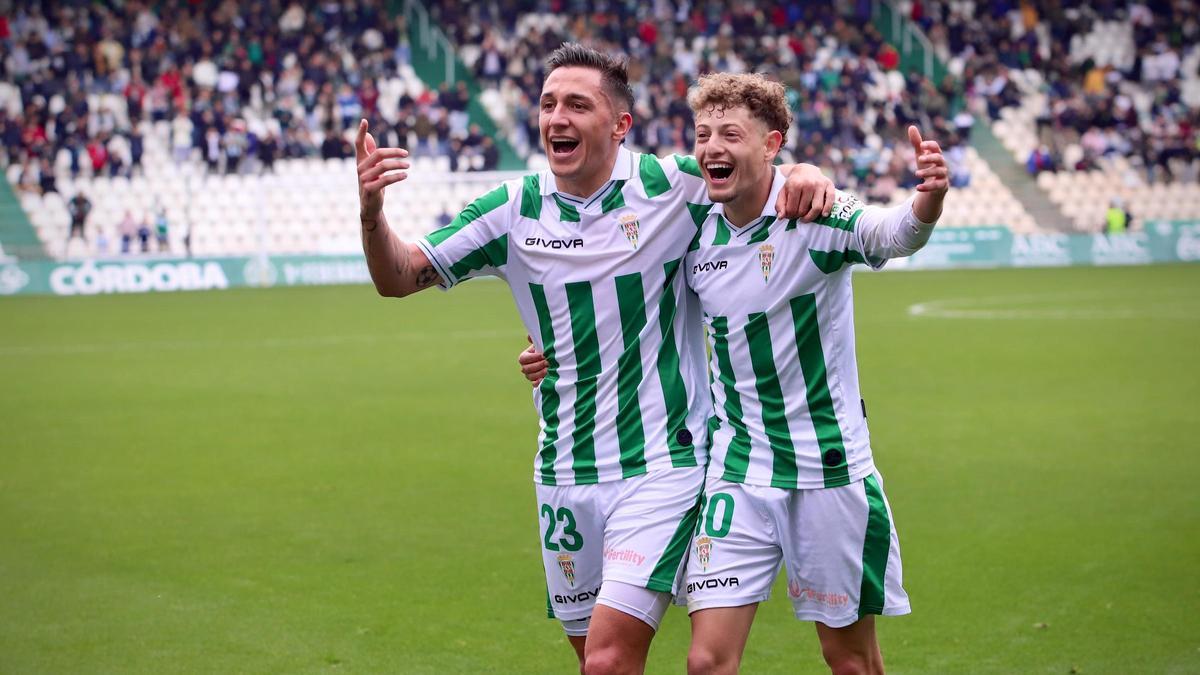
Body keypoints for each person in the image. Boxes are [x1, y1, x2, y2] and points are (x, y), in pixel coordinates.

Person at [355, 43, 835, 675]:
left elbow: (748, 168)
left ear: (619, 125)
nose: (558, 117)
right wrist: (371, 212)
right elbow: (399, 276)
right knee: (598, 663)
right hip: (562, 471)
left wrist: (804, 172)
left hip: (662, 464)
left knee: (607, 660)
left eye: (578, 104)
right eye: (549, 103)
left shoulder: (674, 187)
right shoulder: (510, 210)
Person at [519, 73, 950, 673]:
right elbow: (628, 302)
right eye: (703, 134)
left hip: (826, 467)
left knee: (850, 660)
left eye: (730, 134)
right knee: (706, 662)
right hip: (738, 470)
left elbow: (892, 233)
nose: (712, 146)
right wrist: (550, 352)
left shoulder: (814, 215)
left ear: (771, 145)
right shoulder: (694, 233)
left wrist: (925, 198)